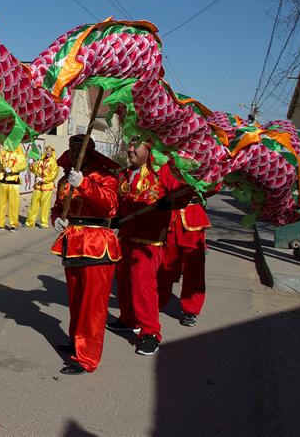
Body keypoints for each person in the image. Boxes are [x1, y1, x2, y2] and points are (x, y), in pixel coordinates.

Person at [110, 137, 188, 356]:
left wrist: (170, 202)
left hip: (149, 242)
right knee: (123, 281)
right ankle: (127, 319)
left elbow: (185, 193)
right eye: (129, 144)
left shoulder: (162, 171)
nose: (130, 149)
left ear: (149, 148)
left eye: (136, 145)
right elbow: (117, 203)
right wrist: (114, 217)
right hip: (125, 237)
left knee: (142, 285)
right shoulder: (124, 174)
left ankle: (150, 332)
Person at [51, 135, 120, 375]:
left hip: (97, 244)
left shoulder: (105, 176)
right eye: (72, 148)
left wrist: (84, 184)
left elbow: (110, 205)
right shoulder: (66, 178)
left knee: (93, 305)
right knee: (77, 299)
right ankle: (77, 341)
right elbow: (58, 207)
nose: (74, 153)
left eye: (79, 149)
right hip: (73, 242)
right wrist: (56, 219)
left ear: (90, 151)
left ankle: (87, 357)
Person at [157, 198, 213, 327]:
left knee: (194, 268)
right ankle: (157, 301)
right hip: (169, 217)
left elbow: (213, 188)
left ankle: (190, 310)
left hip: (192, 218)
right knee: (163, 265)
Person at [0, 141, 26, 231]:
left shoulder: (19, 154)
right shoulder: (3, 152)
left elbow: (23, 165)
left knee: (13, 205)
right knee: (0, 204)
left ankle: (13, 225)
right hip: (3, 182)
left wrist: (12, 169)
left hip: (13, 183)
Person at [26, 145, 58, 228]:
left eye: (50, 151)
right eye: (47, 150)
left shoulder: (53, 163)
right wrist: (31, 164)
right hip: (38, 185)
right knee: (33, 203)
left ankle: (44, 223)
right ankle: (30, 222)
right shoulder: (41, 160)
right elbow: (34, 170)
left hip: (47, 186)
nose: (48, 152)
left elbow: (53, 175)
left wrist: (43, 179)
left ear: (52, 152)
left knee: (45, 205)